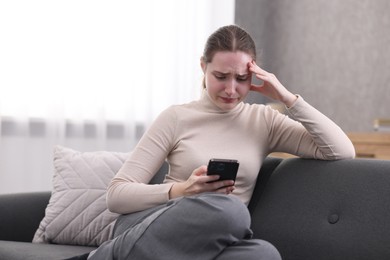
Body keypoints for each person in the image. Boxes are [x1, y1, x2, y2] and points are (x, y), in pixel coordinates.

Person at [68, 24, 355, 260]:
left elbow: (342, 151)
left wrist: (286, 97)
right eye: (221, 76)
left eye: (242, 79)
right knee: (231, 210)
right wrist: (182, 190)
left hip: (216, 235)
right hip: (153, 223)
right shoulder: (177, 117)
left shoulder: (264, 121)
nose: (231, 90)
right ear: (203, 67)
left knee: (264, 255)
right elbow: (116, 196)